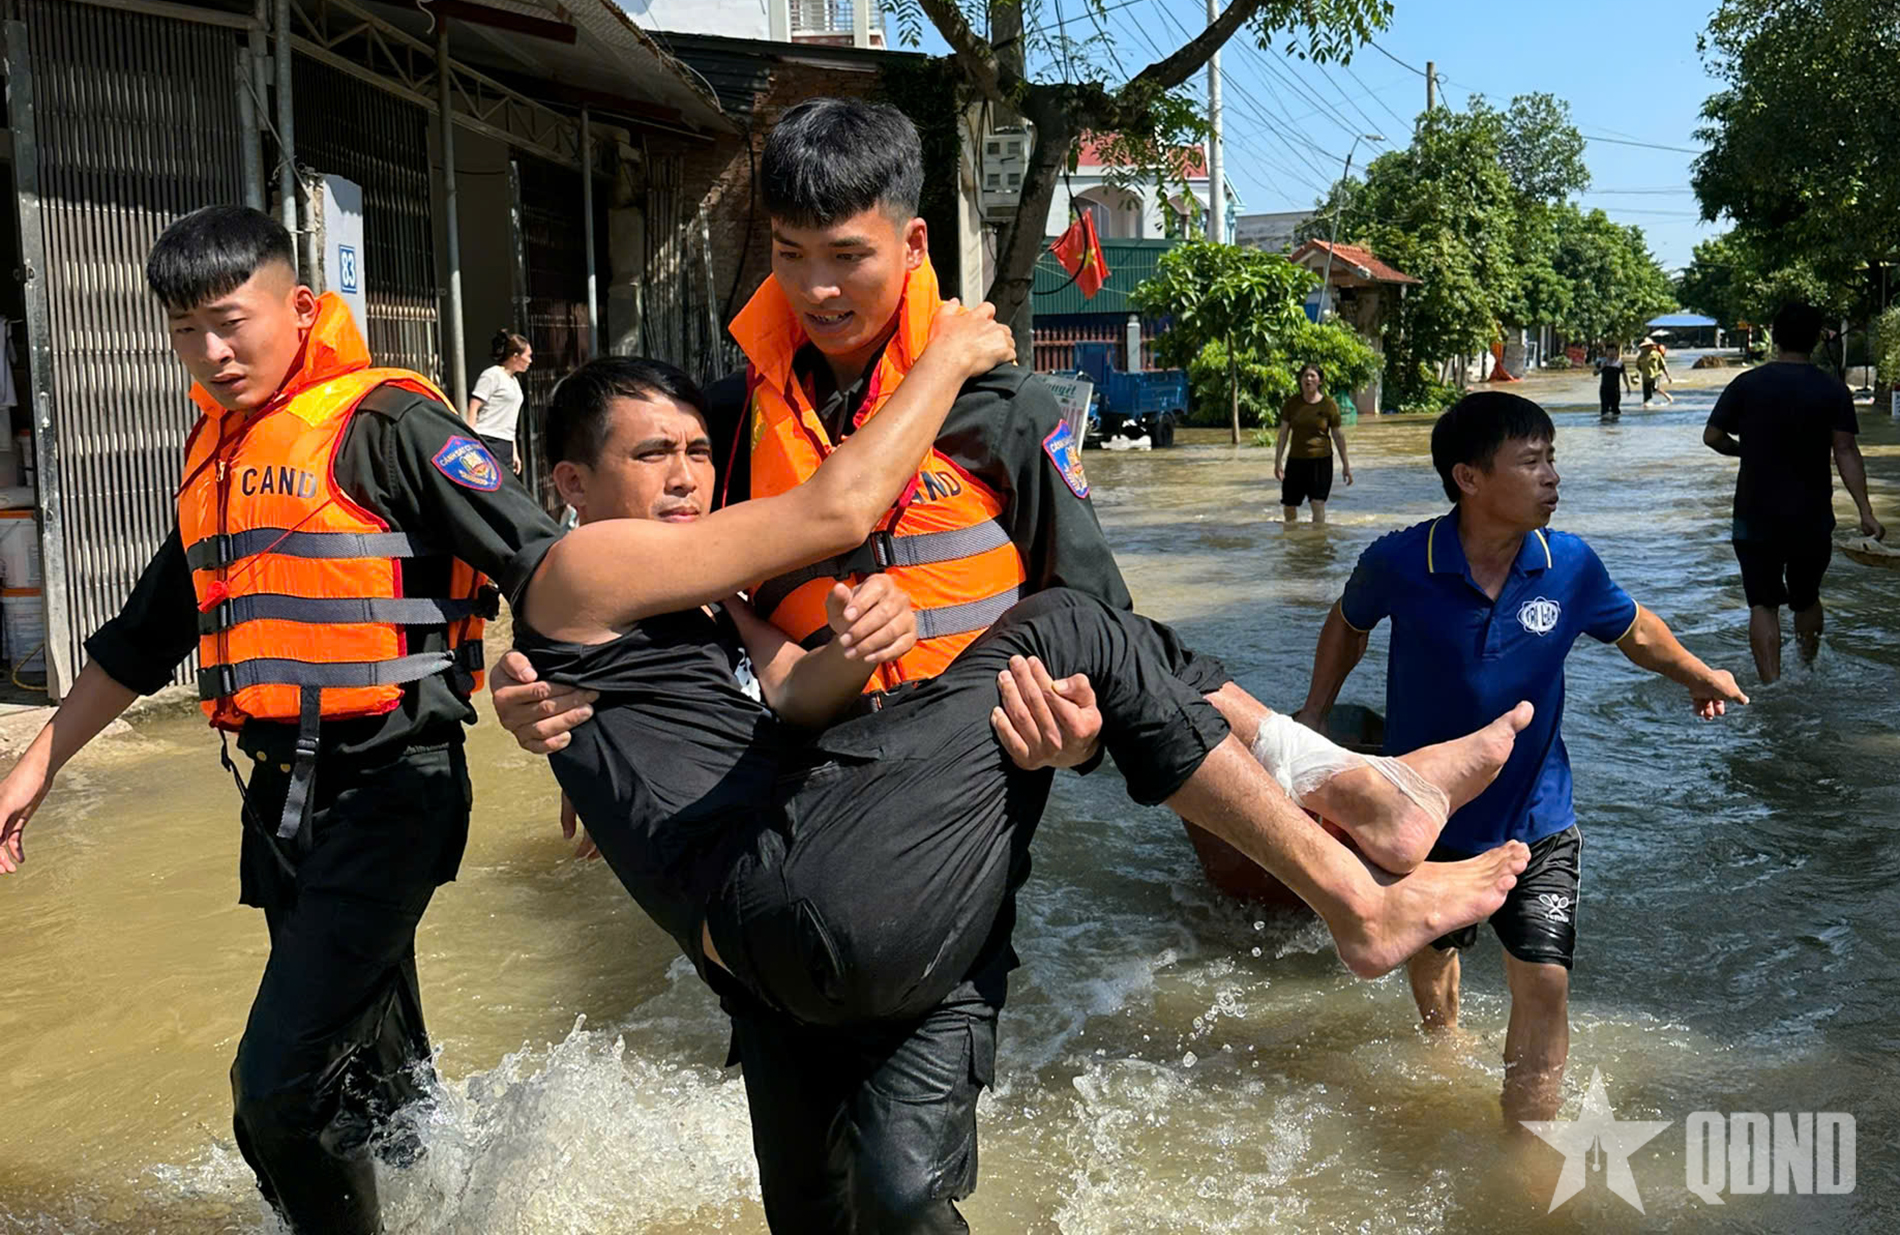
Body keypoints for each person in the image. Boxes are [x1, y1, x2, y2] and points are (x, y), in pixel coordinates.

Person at [490, 98, 1530, 1232]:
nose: (817, 289)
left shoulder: (1001, 407)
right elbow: (673, 619)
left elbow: (1113, 646)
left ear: (913, 244)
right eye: (789, 255)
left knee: (904, 1187)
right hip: (790, 819)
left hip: (961, 809)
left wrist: (1076, 744)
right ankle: (1349, 791)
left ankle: (1341, 801)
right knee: (819, 1206)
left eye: (847, 256)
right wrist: (569, 731)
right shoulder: (733, 417)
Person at [0, 207, 564, 1234]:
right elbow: (145, 636)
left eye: (230, 322)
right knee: (376, 1076)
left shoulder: (389, 425)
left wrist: (581, 735)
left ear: (300, 307)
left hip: (396, 788)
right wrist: (36, 764)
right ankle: (450, 1206)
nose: (211, 353)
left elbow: (542, 560)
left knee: (276, 1094)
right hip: (283, 804)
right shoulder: (221, 457)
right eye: (185, 331)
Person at [1293, 391, 1748, 1129]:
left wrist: (1698, 674)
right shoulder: (1402, 560)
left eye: (1552, 459)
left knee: (1544, 980)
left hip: (1538, 818)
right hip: (1425, 817)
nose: (1552, 476)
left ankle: (1527, 1141)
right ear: (1469, 478)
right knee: (1433, 954)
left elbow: (1635, 630)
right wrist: (1315, 714)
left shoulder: (1569, 565)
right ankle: (1442, 1046)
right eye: (1531, 461)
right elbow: (1347, 623)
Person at [1703, 300, 1886, 682]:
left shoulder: (1747, 384)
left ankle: (1772, 686)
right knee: (1807, 597)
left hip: (1755, 514)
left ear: (1775, 336)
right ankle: (1805, 668)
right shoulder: (1833, 389)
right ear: (1816, 340)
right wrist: (1865, 512)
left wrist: (1745, 450)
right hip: (1811, 515)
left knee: (1762, 603)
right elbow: (1845, 451)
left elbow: (1713, 436)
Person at [1273, 362, 1353, 523]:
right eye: (1305, 376)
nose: (1308, 379)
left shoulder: (1329, 405)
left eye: (1312, 376)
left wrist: (1346, 466)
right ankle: (1291, 536)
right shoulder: (1292, 404)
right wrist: (1278, 462)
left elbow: (1338, 436)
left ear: (1320, 381)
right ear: (1301, 380)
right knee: (1289, 505)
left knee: (1317, 503)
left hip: (1321, 461)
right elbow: (1283, 434)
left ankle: (1318, 538)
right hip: (1296, 460)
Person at [467, 328, 532, 474]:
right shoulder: (492, 375)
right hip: (488, 439)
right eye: (528, 356)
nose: (530, 361)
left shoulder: (514, 382)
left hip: (505, 443)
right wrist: (470, 440)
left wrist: (514, 451)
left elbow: (510, 420)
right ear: (515, 356)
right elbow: (474, 406)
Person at [1594, 343, 1633, 419]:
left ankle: (1615, 425)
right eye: (1609, 351)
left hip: (1615, 390)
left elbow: (1624, 375)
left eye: (1613, 351)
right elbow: (1594, 373)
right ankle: (1604, 425)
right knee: (1604, 410)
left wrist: (1628, 387)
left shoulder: (1620, 364)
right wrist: (1601, 368)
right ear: (1606, 352)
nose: (1611, 353)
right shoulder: (1601, 362)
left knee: (1615, 410)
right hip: (1604, 389)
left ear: (1616, 352)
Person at [1635, 337, 1673, 406]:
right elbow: (1638, 367)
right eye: (1645, 346)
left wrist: (1668, 376)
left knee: (1655, 388)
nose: (1647, 348)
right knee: (1646, 396)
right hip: (1646, 377)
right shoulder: (1641, 356)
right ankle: (1646, 406)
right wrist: (1635, 377)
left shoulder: (1656, 354)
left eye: (1649, 346)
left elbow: (1663, 366)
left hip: (1655, 375)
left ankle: (1668, 397)